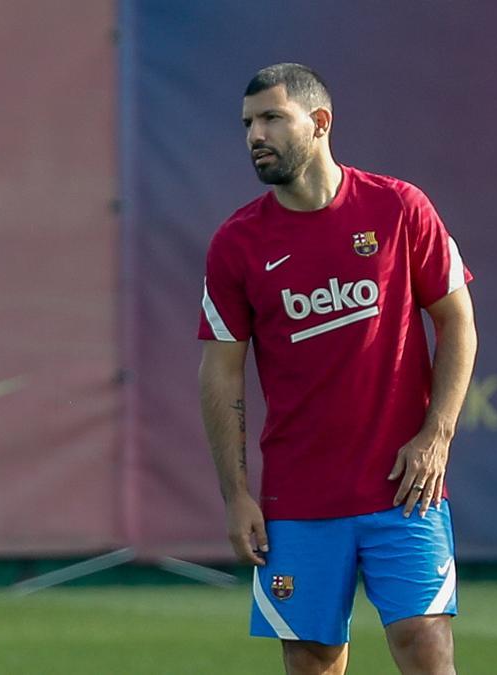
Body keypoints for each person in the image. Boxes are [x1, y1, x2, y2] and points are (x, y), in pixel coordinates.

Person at [198, 63, 476, 675]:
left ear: (319, 123)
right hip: (297, 498)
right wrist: (235, 494)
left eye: (271, 118)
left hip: (406, 489)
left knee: (426, 649)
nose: (255, 135)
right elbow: (219, 372)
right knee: (314, 662)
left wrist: (437, 436)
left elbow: (457, 322)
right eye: (247, 123)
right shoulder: (236, 243)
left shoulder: (401, 207)